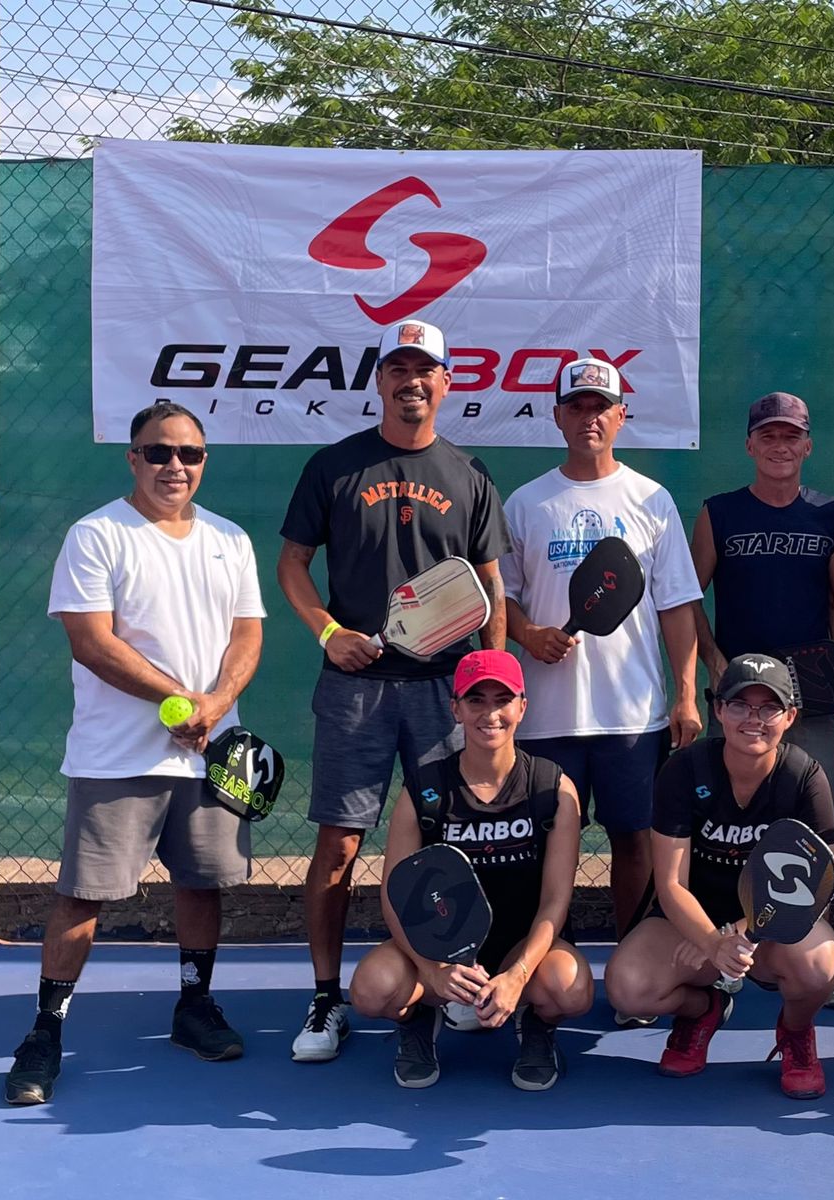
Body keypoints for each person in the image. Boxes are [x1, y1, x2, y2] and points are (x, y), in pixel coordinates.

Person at [5, 403, 265, 1105]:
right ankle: (45, 1031)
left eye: (189, 453)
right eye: (158, 452)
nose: (175, 466)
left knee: (202, 884)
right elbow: (91, 642)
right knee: (82, 896)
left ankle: (193, 1007)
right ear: (133, 458)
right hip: (116, 757)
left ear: (204, 460)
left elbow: (247, 636)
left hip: (210, 753)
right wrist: (181, 700)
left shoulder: (231, 538)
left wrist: (216, 704)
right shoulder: (96, 535)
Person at [278, 319, 509, 1063]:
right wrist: (327, 632)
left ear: (447, 382)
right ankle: (325, 998)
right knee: (340, 844)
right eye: (399, 368)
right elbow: (291, 565)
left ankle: (452, 984)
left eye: (425, 369)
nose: (412, 381)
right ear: (379, 381)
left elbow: (489, 589)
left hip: (445, 691)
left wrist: (491, 683)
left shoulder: (469, 474)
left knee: (448, 845)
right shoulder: (333, 466)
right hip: (357, 690)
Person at [502, 358, 702, 975]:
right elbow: (503, 598)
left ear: (621, 416)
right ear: (557, 416)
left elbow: (677, 606)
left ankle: (632, 968)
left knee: (634, 840)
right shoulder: (526, 502)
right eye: (578, 406)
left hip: (632, 716)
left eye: (601, 407)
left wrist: (686, 695)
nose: (589, 417)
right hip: (545, 718)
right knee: (541, 847)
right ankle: (537, 971)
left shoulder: (652, 499)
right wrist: (528, 634)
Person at [689, 390, 834, 1008]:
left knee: (811, 835)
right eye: (769, 436)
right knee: (724, 831)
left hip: (805, 703)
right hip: (738, 704)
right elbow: (687, 597)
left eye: (792, 436)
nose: (780, 446)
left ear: (808, 445)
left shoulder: (831, 514)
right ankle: (721, 956)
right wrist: (715, 664)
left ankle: (819, 954)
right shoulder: (718, 513)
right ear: (749, 445)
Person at [349, 650, 593, 1090]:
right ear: (456, 709)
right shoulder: (424, 789)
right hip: (440, 949)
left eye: (503, 700)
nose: (490, 713)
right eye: (476, 700)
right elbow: (395, 894)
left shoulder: (553, 787)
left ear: (523, 707)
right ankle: (419, 1020)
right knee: (371, 989)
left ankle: (536, 1025)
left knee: (570, 989)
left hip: (522, 945)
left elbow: (556, 899)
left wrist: (518, 974)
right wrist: (432, 969)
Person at [602, 655, 834, 1099]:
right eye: (740, 705)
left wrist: (738, 933)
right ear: (718, 710)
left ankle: (795, 1034)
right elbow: (671, 883)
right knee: (628, 988)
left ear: (790, 717)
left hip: (770, 924)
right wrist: (712, 940)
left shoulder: (804, 777)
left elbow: (815, 885)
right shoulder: (684, 770)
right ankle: (702, 1009)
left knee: (818, 965)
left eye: (769, 707)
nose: (754, 719)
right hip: (691, 922)